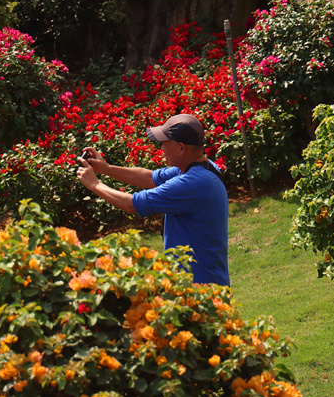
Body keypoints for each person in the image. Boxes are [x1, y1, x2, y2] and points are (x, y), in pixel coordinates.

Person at [76, 113, 229, 286]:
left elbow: (131, 204)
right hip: (206, 281)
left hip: (198, 287)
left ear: (180, 148)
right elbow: (149, 178)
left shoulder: (191, 183)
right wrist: (107, 168)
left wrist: (94, 185)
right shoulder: (203, 168)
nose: (161, 148)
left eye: (164, 143)